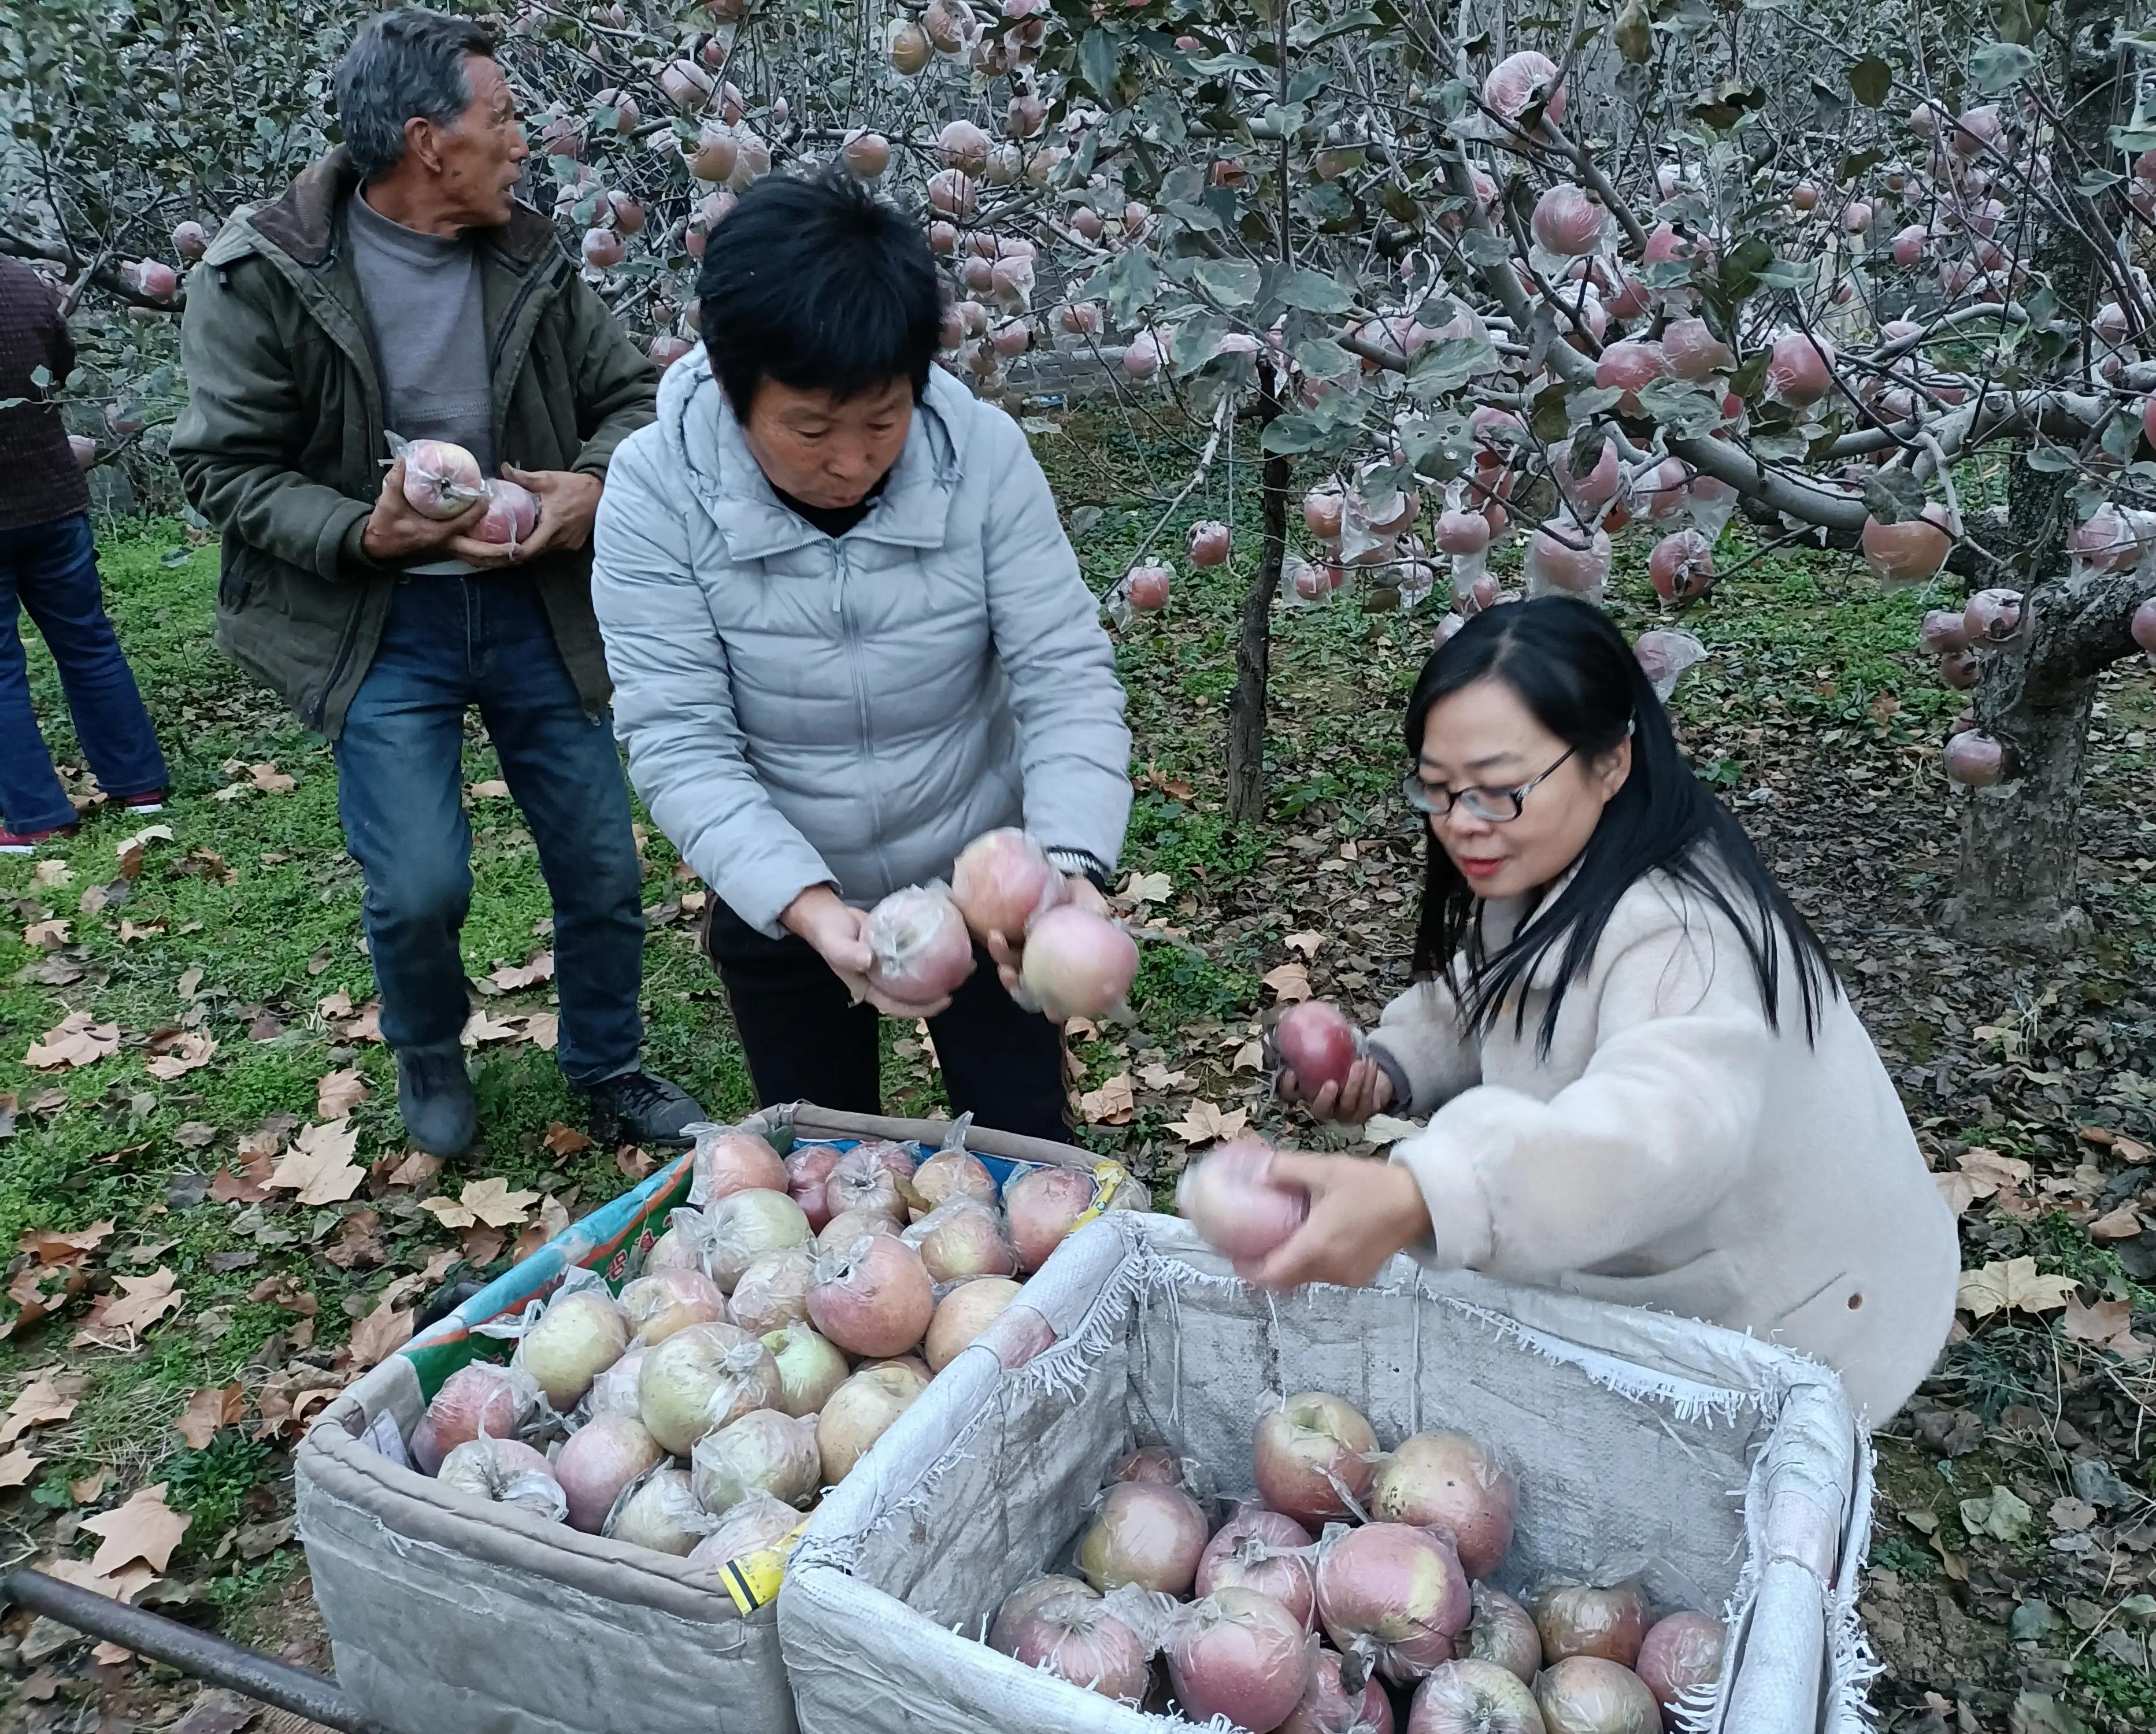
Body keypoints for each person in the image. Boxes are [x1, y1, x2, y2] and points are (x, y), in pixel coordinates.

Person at [171, 8, 702, 1156]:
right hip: (376, 618)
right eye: (502, 118)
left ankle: (607, 1061)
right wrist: (364, 533)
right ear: (428, 142)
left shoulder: (531, 257)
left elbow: (628, 402)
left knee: (601, 859)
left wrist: (590, 491)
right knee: (417, 885)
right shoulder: (261, 274)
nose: (524, 141)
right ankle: (427, 1046)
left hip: (530, 601)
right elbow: (222, 466)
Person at [1253, 597, 1957, 1422]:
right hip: (1685, 1285)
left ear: (1611, 763)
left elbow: (1657, 1130)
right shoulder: (1555, 855)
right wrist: (1394, 1064)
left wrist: (1430, 1192)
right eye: (1438, 791)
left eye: (1500, 790)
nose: (1461, 825)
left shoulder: (1682, 933)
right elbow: (1501, 988)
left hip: (1797, 1321)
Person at [591, 172, 1132, 1143]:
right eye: (810, 429)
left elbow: (1063, 677)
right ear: (729, 384)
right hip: (787, 885)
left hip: (981, 866)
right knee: (831, 1169)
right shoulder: (653, 493)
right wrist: (802, 904)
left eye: (882, 422)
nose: (851, 461)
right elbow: (678, 739)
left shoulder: (986, 459)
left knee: (1027, 1151)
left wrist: (1063, 873)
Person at [0, 257, 169, 850]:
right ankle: (138, 782)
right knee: (88, 641)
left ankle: (35, 815)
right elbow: (59, 368)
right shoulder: (22, 281)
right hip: (51, 499)